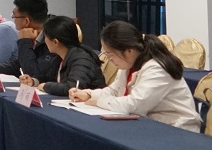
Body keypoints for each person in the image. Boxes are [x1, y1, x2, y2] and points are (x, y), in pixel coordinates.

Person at [69, 21, 201, 131]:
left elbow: (134, 105)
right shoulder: (129, 64)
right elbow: (114, 91)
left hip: (178, 129)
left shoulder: (157, 68)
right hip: (152, 126)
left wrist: (98, 101)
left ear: (129, 51)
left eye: (110, 54)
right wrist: (88, 94)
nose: (109, 59)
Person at [20, 15, 105, 97]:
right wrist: (33, 81)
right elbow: (48, 78)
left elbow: (73, 88)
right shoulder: (58, 58)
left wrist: (46, 86)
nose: (44, 41)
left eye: (45, 37)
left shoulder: (82, 59)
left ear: (55, 42)